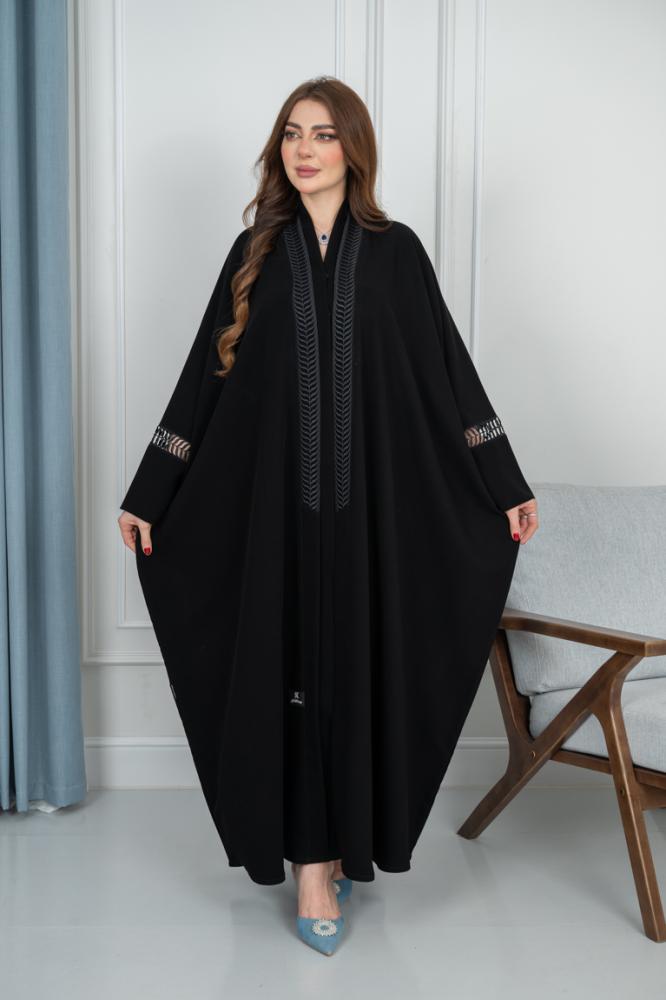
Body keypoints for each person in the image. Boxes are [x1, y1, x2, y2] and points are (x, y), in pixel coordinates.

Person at [118, 75, 539, 956]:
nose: (304, 149)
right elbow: (203, 381)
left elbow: (448, 373)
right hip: (273, 522)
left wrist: (502, 480)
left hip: (370, 520)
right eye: (291, 133)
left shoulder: (396, 252)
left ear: (354, 148)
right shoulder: (253, 253)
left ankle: (345, 840)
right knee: (290, 677)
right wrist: (153, 490)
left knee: (356, 677)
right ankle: (311, 866)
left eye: (323, 133)